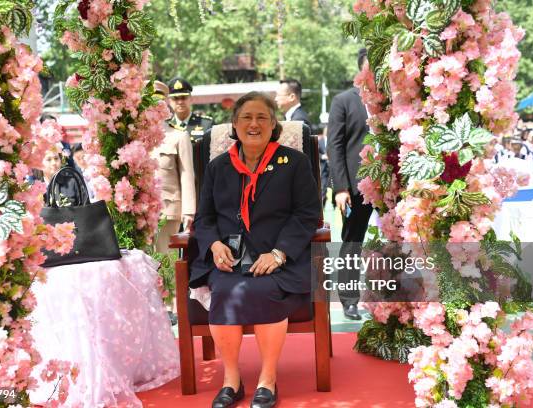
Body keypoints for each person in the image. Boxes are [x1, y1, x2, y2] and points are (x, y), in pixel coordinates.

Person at [190, 92, 320, 408]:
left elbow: (307, 215)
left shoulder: (295, 162)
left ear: (274, 124)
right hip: (230, 259)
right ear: (234, 124)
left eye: (262, 117)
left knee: (266, 290)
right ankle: (231, 380)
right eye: (246, 117)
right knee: (223, 290)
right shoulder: (219, 167)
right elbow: (204, 218)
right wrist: (213, 244)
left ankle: (267, 380)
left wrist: (279, 253)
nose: (254, 124)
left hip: (278, 259)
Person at [326, 48, 372, 320]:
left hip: (389, 185)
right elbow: (335, 146)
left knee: (397, 241)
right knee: (352, 242)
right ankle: (349, 299)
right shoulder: (344, 101)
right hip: (355, 186)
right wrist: (341, 188)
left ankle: (396, 298)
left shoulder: (392, 102)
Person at [150, 80, 196, 254]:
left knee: (167, 261)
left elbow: (187, 174)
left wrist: (189, 211)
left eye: (157, 104)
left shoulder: (178, 136)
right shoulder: (133, 137)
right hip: (140, 212)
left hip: (168, 209)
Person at [166, 77, 214, 143]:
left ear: (191, 99)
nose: (180, 102)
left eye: (183, 98)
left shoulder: (206, 124)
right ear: (169, 101)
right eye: (175, 98)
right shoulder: (165, 126)